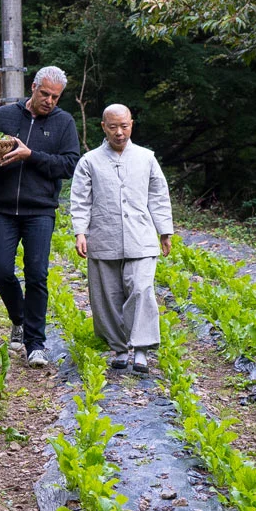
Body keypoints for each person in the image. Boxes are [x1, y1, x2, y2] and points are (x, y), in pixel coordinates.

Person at [0, 66, 81, 368]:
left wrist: (32, 156)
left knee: (37, 275)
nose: (50, 101)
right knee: (0, 269)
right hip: (3, 207)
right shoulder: (4, 116)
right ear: (33, 87)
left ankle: (36, 343)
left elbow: (69, 165)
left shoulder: (64, 123)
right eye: (45, 94)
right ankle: (19, 318)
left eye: (56, 97)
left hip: (40, 209)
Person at [69, 104, 173, 373]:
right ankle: (118, 348)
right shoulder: (89, 161)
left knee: (141, 289)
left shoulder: (146, 157)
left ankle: (140, 349)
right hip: (103, 237)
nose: (119, 132)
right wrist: (80, 232)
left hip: (141, 237)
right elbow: (80, 200)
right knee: (108, 296)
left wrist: (165, 231)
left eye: (124, 126)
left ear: (132, 125)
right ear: (103, 127)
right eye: (113, 127)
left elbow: (158, 196)